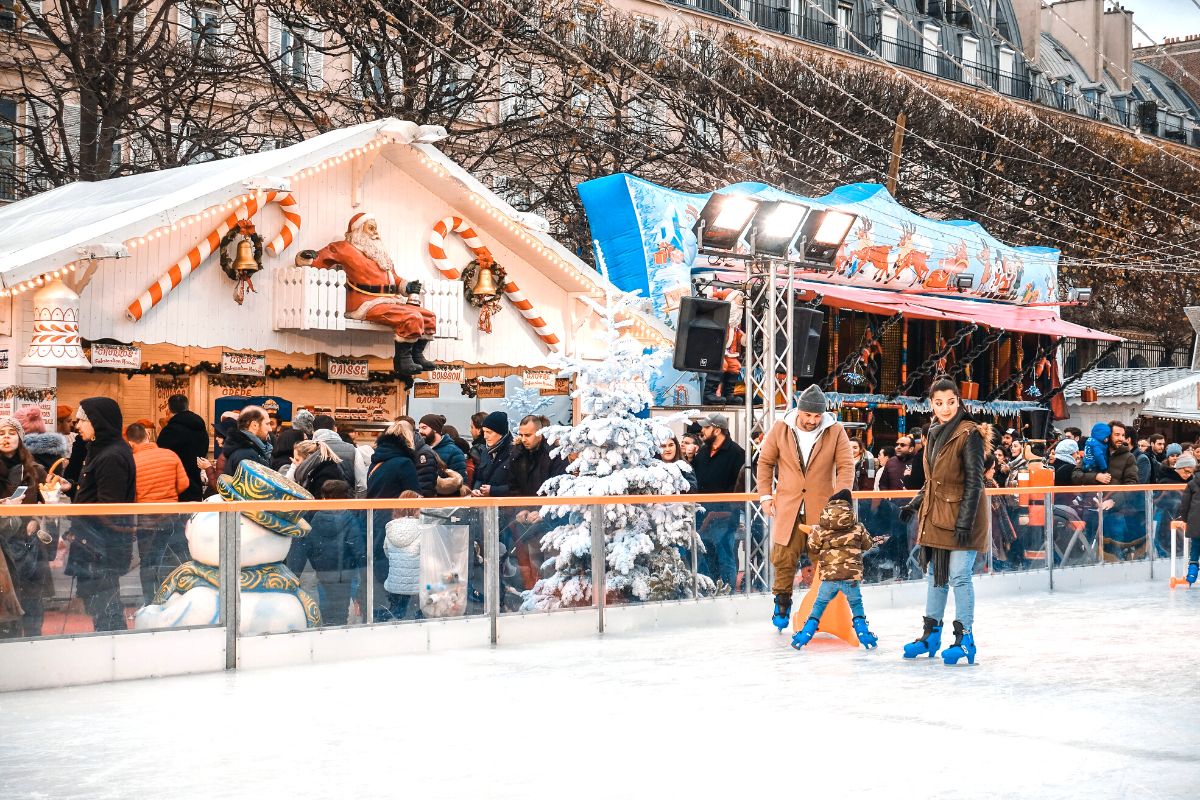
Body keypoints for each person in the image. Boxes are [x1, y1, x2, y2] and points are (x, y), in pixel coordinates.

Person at [898, 377, 991, 665]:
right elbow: (932, 481)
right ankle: (931, 635)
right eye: (939, 403)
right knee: (935, 577)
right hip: (937, 516)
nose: (945, 407)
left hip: (965, 517)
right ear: (932, 405)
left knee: (959, 576)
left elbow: (974, 482)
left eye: (951, 402)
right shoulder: (934, 434)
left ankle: (965, 640)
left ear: (958, 401)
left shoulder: (969, 433)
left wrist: (964, 523)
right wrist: (914, 505)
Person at [756, 385, 853, 631]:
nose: (813, 420)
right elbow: (765, 462)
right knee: (783, 558)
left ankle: (823, 610)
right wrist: (766, 495)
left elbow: (845, 466)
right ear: (799, 411)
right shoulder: (780, 429)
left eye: (817, 416)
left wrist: (840, 501)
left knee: (825, 561)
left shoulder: (835, 431)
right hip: (788, 507)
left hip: (822, 510)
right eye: (808, 415)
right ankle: (782, 602)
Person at [314, 213, 438, 375]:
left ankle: (416, 354)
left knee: (428, 317)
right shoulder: (344, 248)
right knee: (412, 317)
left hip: (389, 300)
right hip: (365, 302)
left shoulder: (379, 253)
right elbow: (317, 259)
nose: (375, 232)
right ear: (358, 230)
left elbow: (393, 278)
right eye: (370, 228)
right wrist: (304, 259)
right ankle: (403, 360)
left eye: (375, 228)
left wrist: (407, 286)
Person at [65, 398, 137, 632]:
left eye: (83, 420)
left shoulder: (110, 456)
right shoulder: (102, 451)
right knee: (100, 605)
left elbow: (109, 508)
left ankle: (113, 648)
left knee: (105, 606)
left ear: (98, 422)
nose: (78, 426)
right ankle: (110, 645)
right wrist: (72, 487)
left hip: (100, 549)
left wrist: (78, 514)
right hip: (95, 546)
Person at [789, 489, 882, 650]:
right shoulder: (858, 527)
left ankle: (803, 636)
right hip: (851, 578)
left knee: (818, 607)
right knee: (856, 605)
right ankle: (865, 636)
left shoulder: (820, 529)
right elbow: (868, 545)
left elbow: (813, 547)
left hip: (829, 579)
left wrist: (815, 534)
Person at [125, 422, 189, 604]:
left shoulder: (132, 462)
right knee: (178, 561)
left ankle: (151, 602)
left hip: (147, 520)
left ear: (130, 443)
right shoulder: (170, 455)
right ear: (147, 436)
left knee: (149, 564)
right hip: (172, 516)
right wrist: (168, 493)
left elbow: (132, 494)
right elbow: (184, 484)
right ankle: (181, 600)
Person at [0, 415, 50, 637]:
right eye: (1, 433)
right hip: (2, 548)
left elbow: (47, 503)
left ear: (20, 438)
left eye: (11, 433)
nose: (6, 437)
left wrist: (37, 520)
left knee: (32, 600)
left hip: (30, 545)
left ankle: (32, 643)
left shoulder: (35, 470)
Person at [366, 422, 421, 618]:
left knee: (385, 561)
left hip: (375, 519)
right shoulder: (404, 463)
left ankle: (392, 605)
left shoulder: (376, 462)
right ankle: (399, 608)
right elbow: (415, 495)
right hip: (398, 520)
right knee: (403, 563)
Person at [292, 479, 366, 626]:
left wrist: (296, 576)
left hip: (323, 572)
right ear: (344, 498)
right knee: (340, 611)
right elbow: (359, 551)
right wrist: (363, 579)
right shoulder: (349, 520)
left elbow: (306, 548)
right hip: (344, 573)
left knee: (326, 609)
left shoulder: (315, 519)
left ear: (324, 498)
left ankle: (327, 631)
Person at [508, 415, 569, 586]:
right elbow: (513, 488)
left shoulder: (555, 455)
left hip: (552, 523)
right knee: (534, 566)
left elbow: (559, 488)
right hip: (528, 522)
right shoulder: (517, 455)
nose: (523, 439)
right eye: (521, 435)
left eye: (528, 435)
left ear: (540, 433)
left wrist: (542, 511)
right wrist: (520, 509)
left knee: (551, 567)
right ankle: (536, 597)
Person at [692, 411, 747, 591]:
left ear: (717, 430)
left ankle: (728, 592)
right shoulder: (702, 452)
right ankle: (709, 592)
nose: (703, 431)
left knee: (726, 557)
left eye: (706, 428)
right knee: (707, 557)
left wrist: (727, 511)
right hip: (703, 513)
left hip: (724, 515)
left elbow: (739, 487)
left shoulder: (737, 453)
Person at [155, 394, 209, 502]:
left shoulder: (169, 431)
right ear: (187, 407)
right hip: (195, 484)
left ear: (169, 409)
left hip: (175, 488)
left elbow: (159, 455)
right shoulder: (200, 428)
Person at [383, 490, 428, 620]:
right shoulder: (422, 528)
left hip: (395, 584)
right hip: (419, 585)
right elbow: (428, 554)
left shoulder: (391, 527)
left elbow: (387, 552)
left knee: (397, 613)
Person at [310, 414, 361, 493]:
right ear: (335, 429)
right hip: (345, 499)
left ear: (313, 431)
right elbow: (361, 483)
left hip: (316, 500)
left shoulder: (309, 449)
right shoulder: (352, 449)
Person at [471, 411, 513, 498]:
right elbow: (479, 478)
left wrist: (493, 491)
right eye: (484, 432)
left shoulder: (515, 452)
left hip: (507, 507)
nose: (485, 436)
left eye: (489, 432)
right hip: (486, 507)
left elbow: (519, 487)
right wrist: (475, 490)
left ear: (501, 433)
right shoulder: (485, 452)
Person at [221, 406, 272, 475]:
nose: (270, 429)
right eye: (267, 424)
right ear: (254, 425)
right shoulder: (246, 455)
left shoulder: (246, 449)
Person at [1174, 454, 1200, 586]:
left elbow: (1185, 504)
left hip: (1196, 523)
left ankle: (1191, 576)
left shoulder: (1192, 483)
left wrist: (1184, 519)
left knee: (1195, 548)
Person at [467, 411, 487, 485]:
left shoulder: (476, 450)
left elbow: (478, 475)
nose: (470, 430)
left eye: (472, 427)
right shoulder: (493, 446)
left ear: (479, 430)